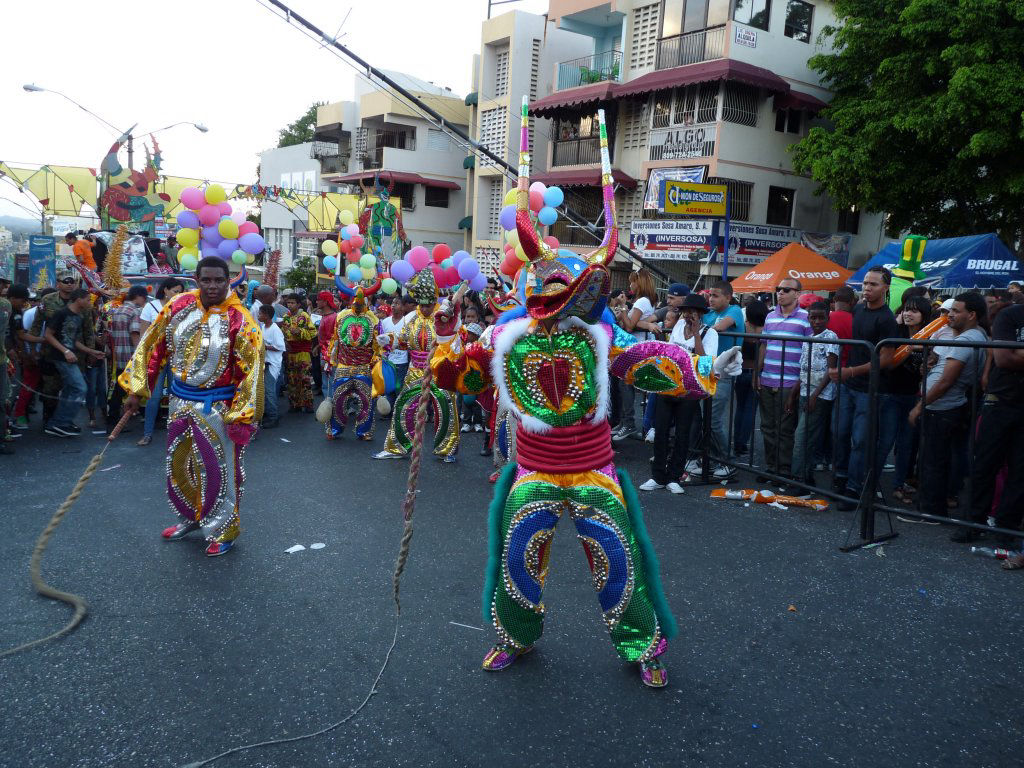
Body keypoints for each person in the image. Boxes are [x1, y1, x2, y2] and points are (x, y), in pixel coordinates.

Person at [430, 107, 742, 687]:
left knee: (616, 558)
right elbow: (468, 373)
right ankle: (514, 637)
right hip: (535, 469)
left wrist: (701, 368)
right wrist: (446, 355)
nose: (555, 299)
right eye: (547, 289)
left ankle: (642, 646)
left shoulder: (600, 337)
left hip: (594, 469)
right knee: (520, 557)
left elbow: (646, 360)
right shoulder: (505, 335)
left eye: (568, 290)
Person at [120, 256, 264, 558]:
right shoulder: (178, 305)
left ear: (229, 281)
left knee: (218, 470)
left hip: (218, 407)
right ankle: (191, 518)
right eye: (206, 280)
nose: (212, 286)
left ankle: (223, 529)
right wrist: (137, 388)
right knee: (179, 465)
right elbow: (151, 344)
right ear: (197, 280)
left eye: (219, 280)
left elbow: (251, 373)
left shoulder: (242, 320)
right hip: (178, 401)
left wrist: (242, 415)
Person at [908, 292, 987, 521]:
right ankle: (932, 507)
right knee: (935, 459)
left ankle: (931, 511)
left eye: (956, 311)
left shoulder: (967, 340)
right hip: (947, 406)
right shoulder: (969, 335)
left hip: (943, 408)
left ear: (971, 315)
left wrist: (919, 406)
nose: (949, 314)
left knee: (933, 461)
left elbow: (946, 381)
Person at [831, 267, 900, 509]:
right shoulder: (858, 308)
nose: (867, 288)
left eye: (874, 284)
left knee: (860, 440)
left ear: (886, 288)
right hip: (849, 385)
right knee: (839, 432)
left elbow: (887, 359)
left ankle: (854, 488)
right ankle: (840, 478)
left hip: (869, 389)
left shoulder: (887, 319)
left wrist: (851, 371)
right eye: (865, 284)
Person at [373, 269, 460, 462]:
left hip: (439, 370)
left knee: (446, 408)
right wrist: (389, 339)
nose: (426, 308)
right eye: (422, 304)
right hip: (414, 370)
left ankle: (447, 450)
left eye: (429, 304)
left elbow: (454, 341)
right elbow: (403, 339)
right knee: (404, 406)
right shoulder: (412, 318)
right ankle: (396, 447)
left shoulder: (444, 317)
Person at [642, 293, 717, 493]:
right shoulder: (677, 326)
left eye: (693, 312)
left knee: (683, 433)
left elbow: (705, 364)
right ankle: (658, 476)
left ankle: (674, 476)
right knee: (661, 430)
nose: (688, 315)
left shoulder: (710, 333)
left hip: (689, 389)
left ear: (701, 314)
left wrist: (696, 335)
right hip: (668, 385)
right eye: (686, 311)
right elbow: (671, 351)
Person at [756, 277, 812, 481]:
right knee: (768, 427)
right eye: (778, 289)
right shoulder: (770, 316)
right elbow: (764, 345)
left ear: (797, 294)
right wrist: (757, 374)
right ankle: (771, 467)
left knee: (786, 429)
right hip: (768, 378)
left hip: (790, 382)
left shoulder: (806, 317)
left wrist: (800, 383)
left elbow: (809, 351)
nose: (780, 293)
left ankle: (784, 470)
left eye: (786, 290)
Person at [30, 267, 97, 426]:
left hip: (76, 353)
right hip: (51, 351)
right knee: (50, 388)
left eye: (72, 281)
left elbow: (88, 330)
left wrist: (91, 352)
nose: (69, 284)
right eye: (65, 281)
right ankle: (49, 419)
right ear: (58, 284)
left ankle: (64, 420)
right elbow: (37, 326)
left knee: (73, 387)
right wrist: (32, 350)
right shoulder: (47, 300)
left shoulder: (82, 302)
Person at [788, 301, 839, 486]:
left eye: (820, 317)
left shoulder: (831, 337)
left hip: (820, 396)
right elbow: (805, 369)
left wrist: (815, 395)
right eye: (813, 317)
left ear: (828, 318)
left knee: (802, 438)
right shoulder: (808, 337)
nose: (816, 321)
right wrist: (793, 393)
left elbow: (831, 370)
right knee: (804, 438)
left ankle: (799, 480)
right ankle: (805, 477)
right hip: (804, 392)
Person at [42, 288, 104, 436]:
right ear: (79, 299)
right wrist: (65, 351)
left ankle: (59, 422)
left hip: (71, 357)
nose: (90, 303)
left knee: (71, 389)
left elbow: (73, 340)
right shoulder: (61, 313)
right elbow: (48, 335)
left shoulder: (80, 316)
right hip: (59, 357)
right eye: (88, 300)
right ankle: (61, 421)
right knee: (80, 388)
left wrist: (91, 351)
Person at [889, 296, 932, 506]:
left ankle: (899, 484)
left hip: (913, 395)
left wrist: (929, 364)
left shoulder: (930, 337)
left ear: (924, 316)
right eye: (906, 309)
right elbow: (890, 364)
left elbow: (932, 364)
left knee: (906, 444)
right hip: (890, 393)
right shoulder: (895, 333)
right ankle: (871, 486)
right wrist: (910, 348)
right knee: (884, 441)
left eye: (914, 311)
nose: (908, 314)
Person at [326, 288, 381, 440]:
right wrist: (330, 361)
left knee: (366, 400)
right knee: (338, 398)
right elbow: (335, 340)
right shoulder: (342, 316)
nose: (358, 303)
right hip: (343, 364)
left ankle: (363, 431)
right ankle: (334, 429)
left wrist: (377, 358)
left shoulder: (372, 318)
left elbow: (376, 344)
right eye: (355, 299)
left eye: (361, 300)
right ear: (351, 301)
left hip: (363, 366)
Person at [137, 277, 185, 446]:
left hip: (176, 357)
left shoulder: (182, 308)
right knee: (154, 397)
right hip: (156, 358)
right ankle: (147, 433)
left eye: (180, 292)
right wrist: (142, 358)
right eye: (175, 291)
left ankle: (177, 433)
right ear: (165, 289)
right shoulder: (150, 307)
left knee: (177, 396)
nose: (177, 295)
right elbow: (144, 336)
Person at [613, 269, 659, 441]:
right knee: (624, 384)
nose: (630, 285)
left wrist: (624, 308)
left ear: (639, 282)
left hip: (636, 346)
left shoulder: (642, 301)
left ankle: (629, 423)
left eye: (632, 281)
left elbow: (629, 326)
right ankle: (626, 422)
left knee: (626, 384)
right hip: (635, 345)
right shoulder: (646, 301)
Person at [703, 280, 744, 469]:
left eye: (716, 295)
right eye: (710, 295)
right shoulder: (709, 314)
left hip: (723, 373)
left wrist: (700, 330)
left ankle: (728, 461)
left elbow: (720, 328)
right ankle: (711, 459)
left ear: (728, 297)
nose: (711, 299)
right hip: (705, 369)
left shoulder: (734, 310)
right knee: (704, 418)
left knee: (713, 420)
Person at [100, 285, 147, 431]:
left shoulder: (116, 310)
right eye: (144, 298)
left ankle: (112, 419)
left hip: (116, 355)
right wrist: (139, 355)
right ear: (139, 296)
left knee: (118, 389)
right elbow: (135, 334)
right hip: (129, 355)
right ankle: (115, 420)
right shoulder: (135, 311)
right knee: (132, 387)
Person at [280, 293, 316, 413]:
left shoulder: (304, 315)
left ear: (298, 304)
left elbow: (312, 333)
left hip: (303, 352)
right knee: (292, 379)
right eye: (288, 303)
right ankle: (295, 404)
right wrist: (285, 343)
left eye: (292, 303)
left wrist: (300, 332)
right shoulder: (286, 317)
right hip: (290, 353)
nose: (289, 305)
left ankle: (308, 403)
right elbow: (283, 333)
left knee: (305, 378)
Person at [379, 293, 409, 410]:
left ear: (403, 307)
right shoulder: (385, 321)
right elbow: (380, 340)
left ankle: (398, 410)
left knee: (399, 386)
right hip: (387, 359)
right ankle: (388, 409)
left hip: (401, 360)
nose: (393, 306)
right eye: (392, 303)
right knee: (388, 385)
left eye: (397, 303)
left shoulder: (407, 321)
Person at [258, 303, 285, 429]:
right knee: (263, 391)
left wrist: (263, 347)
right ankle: (266, 414)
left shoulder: (275, 329)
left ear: (267, 316)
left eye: (261, 313)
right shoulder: (263, 327)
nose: (258, 315)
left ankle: (273, 417)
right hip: (264, 363)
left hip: (272, 364)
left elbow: (280, 347)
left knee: (269, 392)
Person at [315, 290, 338, 396]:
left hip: (330, 354)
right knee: (327, 380)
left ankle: (331, 406)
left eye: (318, 300)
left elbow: (331, 339)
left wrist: (319, 347)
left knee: (329, 381)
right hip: (325, 353)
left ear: (325, 302)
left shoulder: (332, 317)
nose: (316, 302)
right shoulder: (327, 316)